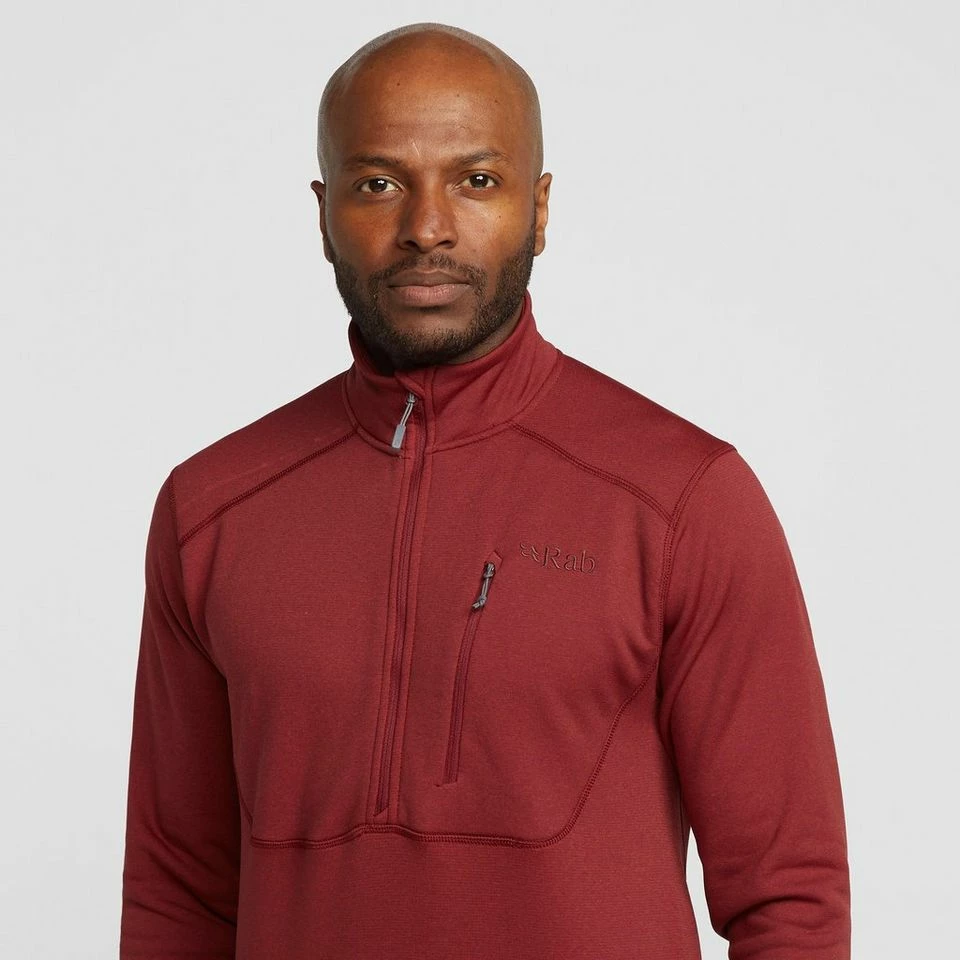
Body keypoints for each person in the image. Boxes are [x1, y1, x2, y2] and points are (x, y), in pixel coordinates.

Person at [119, 22, 850, 960]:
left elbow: (790, 901)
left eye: (475, 180)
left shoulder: (683, 500)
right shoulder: (213, 509)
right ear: (322, 212)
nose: (427, 227)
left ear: (538, 209)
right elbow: (177, 897)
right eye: (379, 183)